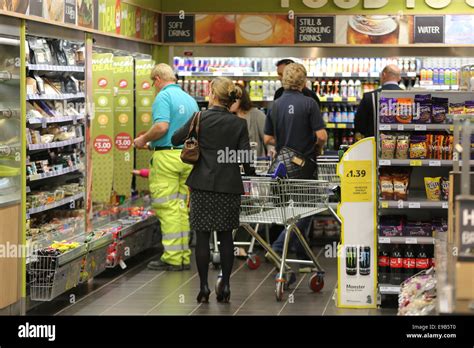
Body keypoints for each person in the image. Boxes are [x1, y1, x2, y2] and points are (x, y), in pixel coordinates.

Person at [172, 77, 255, 304]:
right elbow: (246, 159)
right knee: (227, 236)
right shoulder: (238, 124)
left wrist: (196, 137)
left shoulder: (199, 117)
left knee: (202, 237)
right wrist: (251, 173)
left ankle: (203, 287)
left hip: (201, 185)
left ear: (213, 94)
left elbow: (175, 138)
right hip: (229, 187)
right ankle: (226, 285)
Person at [133, 63, 199, 271]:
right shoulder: (190, 100)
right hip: (187, 158)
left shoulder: (163, 96)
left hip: (167, 158)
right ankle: (183, 256)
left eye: (154, 83)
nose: (154, 87)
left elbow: (162, 127)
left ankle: (172, 258)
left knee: (167, 208)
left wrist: (143, 139)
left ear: (158, 80)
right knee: (181, 208)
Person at [264, 63, 327, 261]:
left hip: (283, 165)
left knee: (289, 208)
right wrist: (315, 145)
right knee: (308, 208)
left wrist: (285, 142)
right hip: (304, 164)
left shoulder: (275, 105)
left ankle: (299, 256)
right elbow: (322, 135)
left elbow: (267, 139)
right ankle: (279, 247)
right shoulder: (309, 104)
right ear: (303, 81)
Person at [355, 64, 402, 138]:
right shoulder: (408, 96)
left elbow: (359, 125)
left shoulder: (369, 96)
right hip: (401, 145)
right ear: (399, 78)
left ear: (383, 75)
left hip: (373, 143)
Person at [230, 84, 273, 158]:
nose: (232, 102)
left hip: (256, 163)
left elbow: (268, 138)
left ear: (242, 99)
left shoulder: (257, 114)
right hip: (235, 163)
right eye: (229, 99)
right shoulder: (228, 117)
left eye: (235, 99)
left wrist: (271, 151)